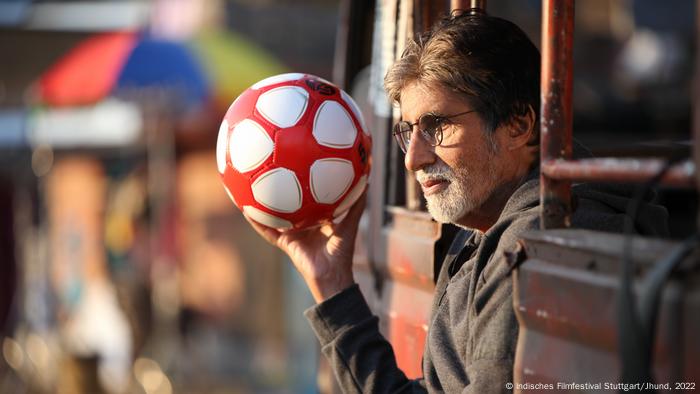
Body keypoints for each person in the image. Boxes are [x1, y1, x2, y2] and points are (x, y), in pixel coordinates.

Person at [246, 11, 669, 393]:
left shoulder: (535, 248)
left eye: (437, 127)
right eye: (408, 131)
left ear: (518, 126)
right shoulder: (484, 238)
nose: (414, 158)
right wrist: (331, 282)